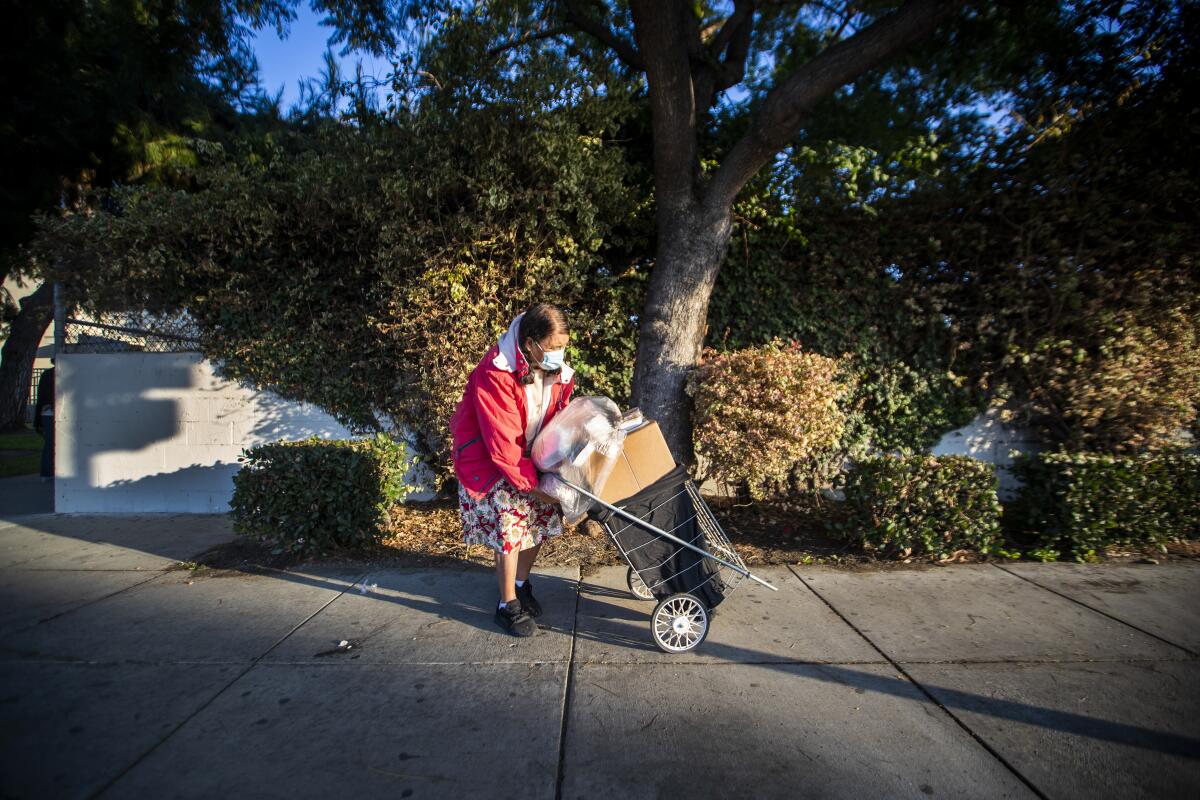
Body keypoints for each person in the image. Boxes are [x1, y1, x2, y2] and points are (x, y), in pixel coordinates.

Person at [449, 304, 574, 636]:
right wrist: (536, 487)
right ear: (531, 343)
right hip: (491, 462)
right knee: (511, 524)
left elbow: (557, 418)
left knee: (543, 519)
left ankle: (520, 584)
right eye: (552, 349)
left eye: (563, 347)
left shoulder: (555, 369)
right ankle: (507, 605)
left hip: (530, 454)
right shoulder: (495, 373)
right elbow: (503, 447)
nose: (558, 355)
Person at [34, 358, 55, 481]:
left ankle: (46, 473)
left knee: (49, 443)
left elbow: (41, 397)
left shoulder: (46, 375)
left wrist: (37, 421)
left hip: (47, 413)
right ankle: (48, 472)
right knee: (51, 443)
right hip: (51, 412)